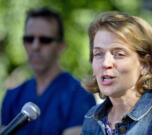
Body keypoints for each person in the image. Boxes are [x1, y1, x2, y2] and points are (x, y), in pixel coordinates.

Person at [81, 11, 152, 135]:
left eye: (119, 54)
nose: (106, 63)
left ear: (145, 65)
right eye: (98, 54)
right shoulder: (91, 119)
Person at [1, 7, 96, 135]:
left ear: (61, 46)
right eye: (29, 39)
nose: (35, 46)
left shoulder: (79, 95)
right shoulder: (13, 96)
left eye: (45, 40)